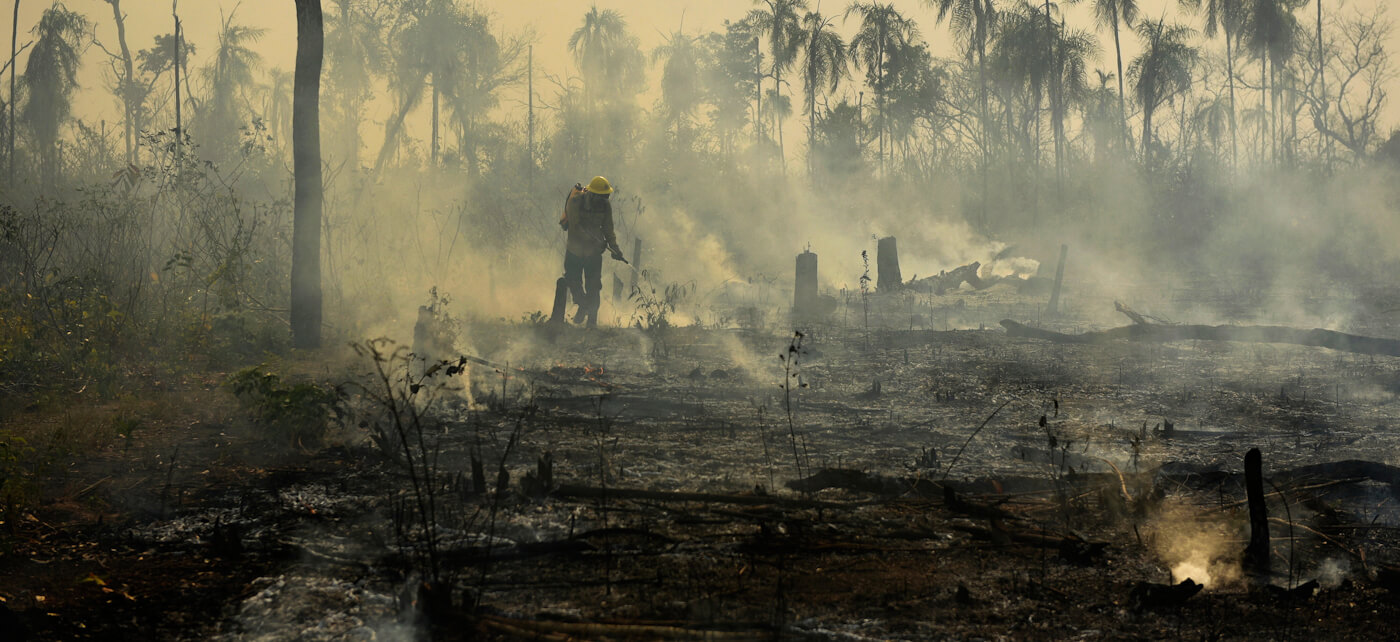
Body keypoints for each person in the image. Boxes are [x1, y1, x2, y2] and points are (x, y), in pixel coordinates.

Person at [557, 176, 625, 327]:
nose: (605, 199)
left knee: (594, 286)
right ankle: (583, 305)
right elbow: (576, 226)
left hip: (593, 253)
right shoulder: (576, 202)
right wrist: (595, 240)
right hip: (575, 249)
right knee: (573, 281)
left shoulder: (605, 206)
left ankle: (592, 323)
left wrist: (615, 248)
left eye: (606, 196)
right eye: (602, 196)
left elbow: (608, 228)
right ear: (592, 194)